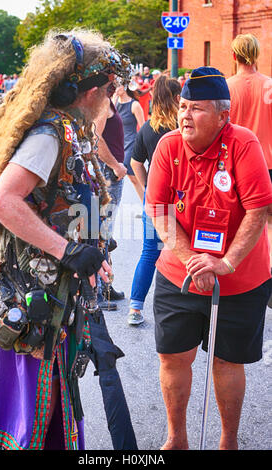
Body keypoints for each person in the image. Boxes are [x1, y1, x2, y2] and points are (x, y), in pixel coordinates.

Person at [0, 29, 136, 451]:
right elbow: (1, 201)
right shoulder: (50, 134)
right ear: (91, 91)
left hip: (58, 303)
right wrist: (68, 250)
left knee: (55, 414)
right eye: (109, 89)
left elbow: (67, 205)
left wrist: (93, 254)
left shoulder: (74, 130)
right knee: (40, 421)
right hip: (38, 303)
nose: (111, 97)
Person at [145, 67, 272, 450]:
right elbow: (160, 211)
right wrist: (192, 260)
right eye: (183, 106)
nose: (185, 115)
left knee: (227, 361)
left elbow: (258, 209)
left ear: (223, 116)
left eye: (196, 108)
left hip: (239, 277)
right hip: (178, 274)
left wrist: (226, 263)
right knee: (172, 357)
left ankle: (228, 441)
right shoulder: (168, 145)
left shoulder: (243, 143)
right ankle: (176, 438)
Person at [128, 76, 181, 325]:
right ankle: (181, 308)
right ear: (176, 98)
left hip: (155, 198)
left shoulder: (148, 128)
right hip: (182, 198)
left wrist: (147, 187)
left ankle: (135, 307)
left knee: (149, 253)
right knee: (183, 251)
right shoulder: (183, 128)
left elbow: (135, 162)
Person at [226, 34, 272, 270]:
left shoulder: (227, 88)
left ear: (234, 55)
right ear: (257, 54)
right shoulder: (270, 85)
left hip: (238, 165)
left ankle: (247, 273)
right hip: (269, 163)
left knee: (240, 223)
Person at [95, 96, 127, 308]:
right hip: (108, 172)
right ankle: (98, 291)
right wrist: (115, 165)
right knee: (101, 234)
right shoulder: (103, 101)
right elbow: (95, 137)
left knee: (104, 233)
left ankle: (104, 287)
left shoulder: (106, 99)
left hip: (107, 171)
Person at [115, 84, 145, 201]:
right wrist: (113, 99)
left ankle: (147, 205)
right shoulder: (115, 103)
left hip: (132, 143)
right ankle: (146, 204)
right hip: (119, 144)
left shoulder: (135, 105)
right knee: (129, 178)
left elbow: (143, 127)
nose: (116, 89)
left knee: (133, 177)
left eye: (118, 86)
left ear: (125, 87)